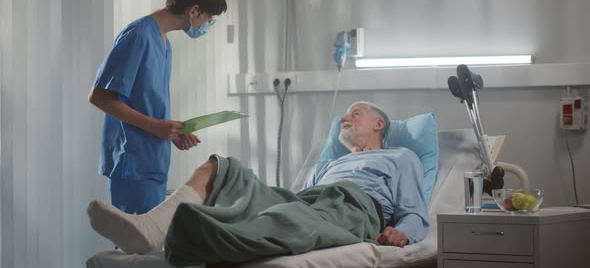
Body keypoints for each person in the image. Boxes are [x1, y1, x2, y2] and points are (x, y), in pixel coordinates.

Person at [87, 101, 429, 266]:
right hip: (308, 201)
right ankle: (151, 228)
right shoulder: (328, 163)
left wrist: (404, 232)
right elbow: (297, 201)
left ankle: (193, 231)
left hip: (352, 206)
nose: (344, 118)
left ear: (379, 123)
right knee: (222, 168)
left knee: (290, 220)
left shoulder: (400, 158)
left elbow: (414, 211)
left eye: (355, 114)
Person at [88, 0, 227, 215]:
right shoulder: (139, 34)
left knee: (149, 246)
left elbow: (144, 101)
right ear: (194, 11)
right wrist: (154, 126)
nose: (208, 24)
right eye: (209, 18)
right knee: (137, 247)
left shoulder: (163, 42)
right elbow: (100, 97)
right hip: (132, 162)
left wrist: (171, 131)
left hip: (151, 161)